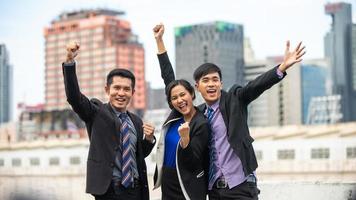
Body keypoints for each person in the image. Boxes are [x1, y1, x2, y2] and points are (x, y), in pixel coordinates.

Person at [194, 41, 305, 200]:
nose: (211, 84)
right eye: (206, 80)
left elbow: (255, 86)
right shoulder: (198, 114)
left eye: (215, 80)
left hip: (241, 186)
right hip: (213, 191)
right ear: (197, 86)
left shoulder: (235, 99)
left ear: (221, 83)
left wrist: (281, 68)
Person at [62, 41, 156, 200]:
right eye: (116, 88)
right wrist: (69, 62)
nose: (121, 93)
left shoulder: (137, 121)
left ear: (132, 92)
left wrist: (148, 139)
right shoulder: (96, 112)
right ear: (107, 90)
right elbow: (74, 97)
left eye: (126, 89)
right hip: (109, 191)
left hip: (136, 191)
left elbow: (138, 154)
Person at [152, 24, 210, 200]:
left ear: (192, 94)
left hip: (188, 182)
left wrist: (185, 140)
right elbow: (167, 75)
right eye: (174, 98)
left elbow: (193, 163)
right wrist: (159, 40)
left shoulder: (201, 122)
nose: (179, 100)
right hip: (168, 180)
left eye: (183, 95)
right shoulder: (176, 113)